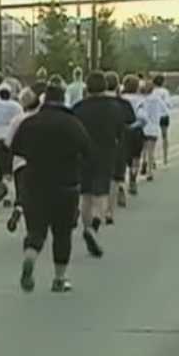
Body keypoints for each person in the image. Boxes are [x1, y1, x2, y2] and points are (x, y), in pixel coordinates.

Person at [10, 83, 92, 293]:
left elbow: (15, 147)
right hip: (66, 184)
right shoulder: (72, 123)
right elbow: (87, 149)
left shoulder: (30, 123)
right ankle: (59, 278)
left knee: (36, 229)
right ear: (63, 99)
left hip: (34, 182)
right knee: (62, 233)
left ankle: (30, 255)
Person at [71, 71, 131, 257]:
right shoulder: (114, 107)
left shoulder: (78, 108)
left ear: (87, 87)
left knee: (86, 196)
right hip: (105, 154)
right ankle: (94, 227)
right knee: (101, 194)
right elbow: (121, 132)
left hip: (83, 155)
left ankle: (87, 225)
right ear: (105, 86)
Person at [4, 86, 41, 233]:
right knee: (37, 194)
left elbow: (8, 142)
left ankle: (19, 208)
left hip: (20, 162)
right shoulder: (42, 118)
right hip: (40, 162)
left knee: (22, 192)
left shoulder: (17, 120)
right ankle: (35, 226)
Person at [120, 75, 148, 197]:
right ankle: (132, 177)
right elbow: (143, 117)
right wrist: (136, 125)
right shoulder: (140, 99)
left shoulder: (120, 99)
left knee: (122, 158)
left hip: (122, 131)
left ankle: (120, 183)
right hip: (135, 131)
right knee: (136, 157)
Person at [137, 79, 169, 182]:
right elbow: (165, 110)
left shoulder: (141, 99)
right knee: (151, 150)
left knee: (144, 148)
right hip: (153, 127)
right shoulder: (157, 99)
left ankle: (144, 161)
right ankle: (150, 172)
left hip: (143, 127)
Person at [151, 75, 172, 166]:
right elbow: (168, 103)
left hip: (154, 115)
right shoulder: (165, 92)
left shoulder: (152, 91)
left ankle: (152, 158)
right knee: (165, 136)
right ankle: (165, 159)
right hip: (164, 115)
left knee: (153, 138)